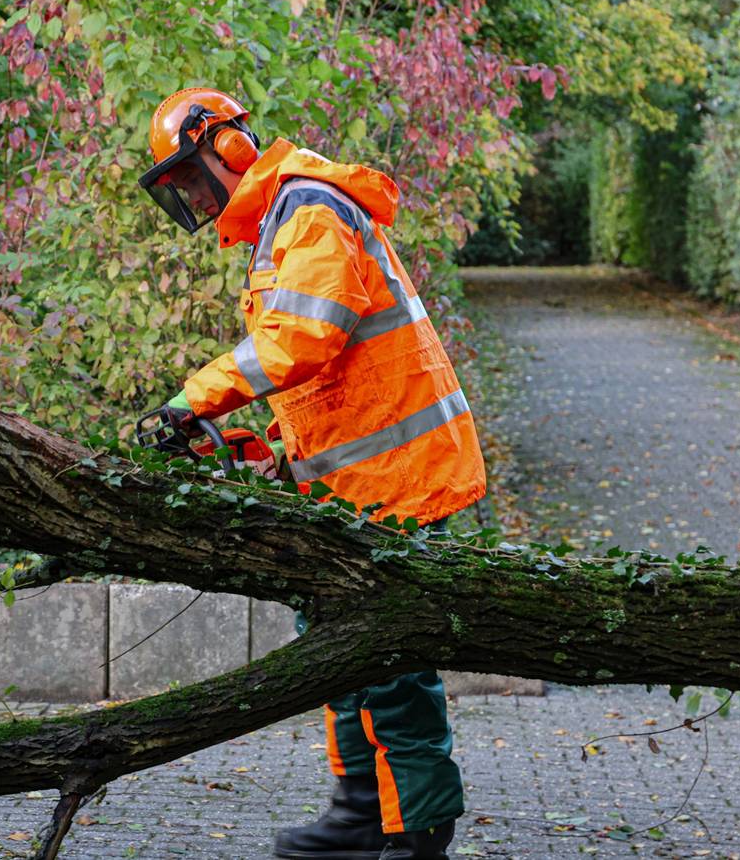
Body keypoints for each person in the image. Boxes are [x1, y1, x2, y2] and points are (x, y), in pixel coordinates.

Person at [138, 87, 487, 860]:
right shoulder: (277, 225)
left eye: (193, 177)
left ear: (227, 148)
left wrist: (191, 401)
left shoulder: (308, 210)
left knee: (391, 664)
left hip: (396, 477)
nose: (193, 197)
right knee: (340, 647)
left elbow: (305, 337)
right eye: (181, 191)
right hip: (354, 482)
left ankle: (418, 831)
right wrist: (260, 446)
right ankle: (361, 812)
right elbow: (316, 381)